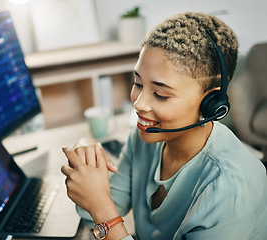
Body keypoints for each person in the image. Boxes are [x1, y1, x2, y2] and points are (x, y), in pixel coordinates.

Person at [61, 12, 267, 240]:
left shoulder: (232, 188)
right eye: (137, 83)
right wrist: (89, 153)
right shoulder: (144, 138)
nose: (139, 104)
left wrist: (101, 209)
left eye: (160, 94)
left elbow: (102, 211)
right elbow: (98, 210)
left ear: (211, 104)